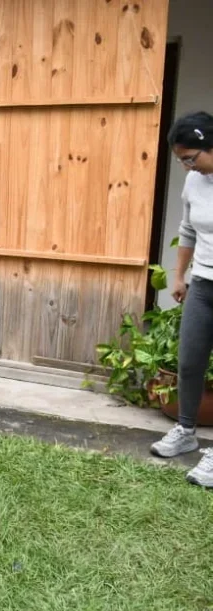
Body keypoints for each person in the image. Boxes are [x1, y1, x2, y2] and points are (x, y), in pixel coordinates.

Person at [150, 112, 213, 489]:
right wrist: (178, 276)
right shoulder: (194, 181)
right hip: (203, 284)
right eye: (181, 160)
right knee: (189, 361)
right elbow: (187, 228)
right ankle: (186, 431)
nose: (187, 166)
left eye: (191, 158)